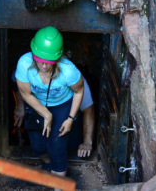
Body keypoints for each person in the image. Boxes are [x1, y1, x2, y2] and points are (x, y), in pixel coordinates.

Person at [15, 26, 84, 178]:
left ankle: (57, 177)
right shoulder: (24, 64)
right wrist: (46, 114)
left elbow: (79, 91)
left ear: (57, 58)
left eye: (49, 62)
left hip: (62, 105)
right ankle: (49, 162)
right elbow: (25, 94)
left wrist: (71, 119)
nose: (44, 66)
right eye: (40, 61)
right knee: (37, 145)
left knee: (57, 146)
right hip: (35, 103)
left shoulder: (68, 71)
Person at [13, 74, 95, 157]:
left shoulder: (74, 78)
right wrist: (20, 104)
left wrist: (87, 142)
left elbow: (88, 110)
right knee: (38, 149)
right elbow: (17, 79)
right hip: (39, 119)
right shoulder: (30, 70)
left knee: (69, 151)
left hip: (69, 125)